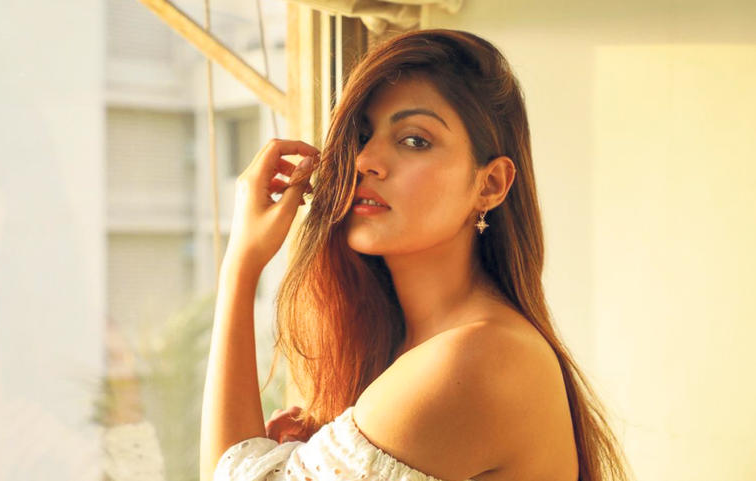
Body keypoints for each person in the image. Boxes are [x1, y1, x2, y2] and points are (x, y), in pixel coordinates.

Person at [201, 28, 632, 481]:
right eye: (362, 135)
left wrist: (241, 265)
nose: (365, 160)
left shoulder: (478, 357)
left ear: (490, 185)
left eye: (414, 140)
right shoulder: (407, 345)